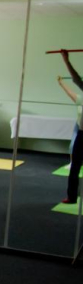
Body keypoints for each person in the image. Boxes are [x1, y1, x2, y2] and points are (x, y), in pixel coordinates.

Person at [57, 55, 83, 204]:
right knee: (75, 166)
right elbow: (76, 79)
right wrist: (66, 60)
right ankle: (72, 196)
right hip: (81, 134)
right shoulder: (82, 98)